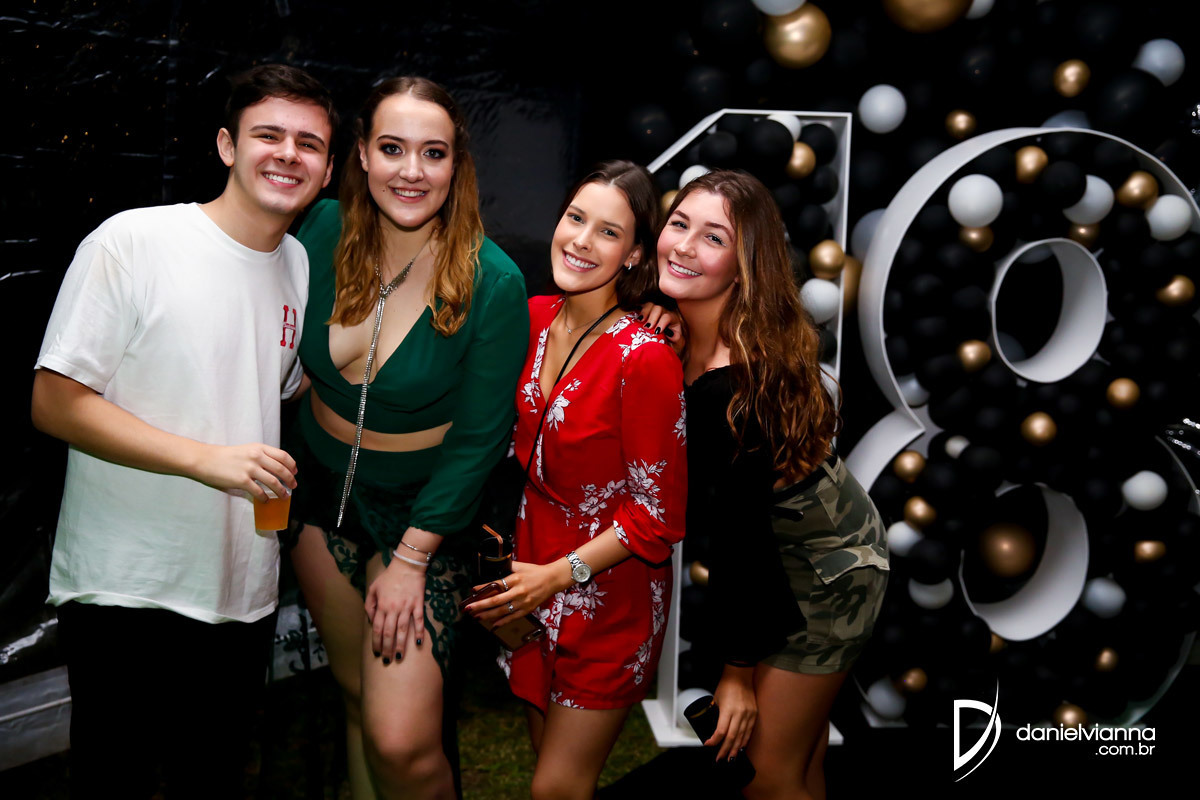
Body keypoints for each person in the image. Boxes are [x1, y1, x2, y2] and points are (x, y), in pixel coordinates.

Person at [31, 64, 336, 798]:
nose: (288, 154)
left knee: (214, 778)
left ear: (328, 171)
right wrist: (206, 460)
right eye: (269, 135)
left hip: (240, 585)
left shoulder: (298, 263)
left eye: (309, 143)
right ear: (228, 146)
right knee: (116, 782)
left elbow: (276, 383)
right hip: (127, 585)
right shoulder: (134, 241)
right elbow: (55, 401)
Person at [286, 76, 528, 799]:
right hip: (319, 496)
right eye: (392, 149)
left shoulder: (492, 281)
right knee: (354, 695)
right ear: (361, 153)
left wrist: (413, 558)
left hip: (421, 514)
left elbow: (481, 438)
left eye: (433, 153)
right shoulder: (317, 229)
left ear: (457, 165)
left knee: (401, 741)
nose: (412, 171)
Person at [658, 170, 889, 800]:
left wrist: (736, 674)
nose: (684, 246)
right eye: (678, 223)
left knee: (768, 777)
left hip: (827, 571)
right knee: (800, 765)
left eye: (713, 238)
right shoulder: (694, 327)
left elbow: (743, 543)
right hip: (798, 550)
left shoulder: (732, 389)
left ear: (744, 266)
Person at [466, 160, 687, 800]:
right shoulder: (532, 316)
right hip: (528, 578)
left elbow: (659, 519)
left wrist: (558, 577)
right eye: (575, 218)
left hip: (608, 594)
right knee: (547, 761)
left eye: (609, 232)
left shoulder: (645, 359)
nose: (582, 241)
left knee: (556, 788)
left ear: (635, 254)